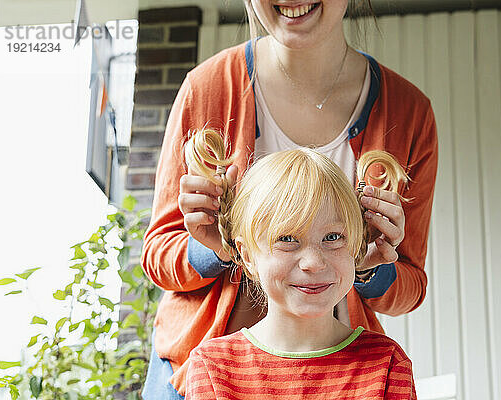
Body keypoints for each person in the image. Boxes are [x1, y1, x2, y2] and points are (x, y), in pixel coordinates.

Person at [141, 0, 438, 398]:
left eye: (332, 239)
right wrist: (219, 247)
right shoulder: (208, 87)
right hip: (198, 375)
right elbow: (157, 255)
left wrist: (365, 266)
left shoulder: (409, 111)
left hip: (333, 379)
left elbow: (411, 284)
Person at [184, 128, 416, 399]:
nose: (314, 263)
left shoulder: (387, 364)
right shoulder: (212, 368)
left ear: (355, 245)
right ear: (247, 256)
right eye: (287, 238)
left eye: (332, 237)